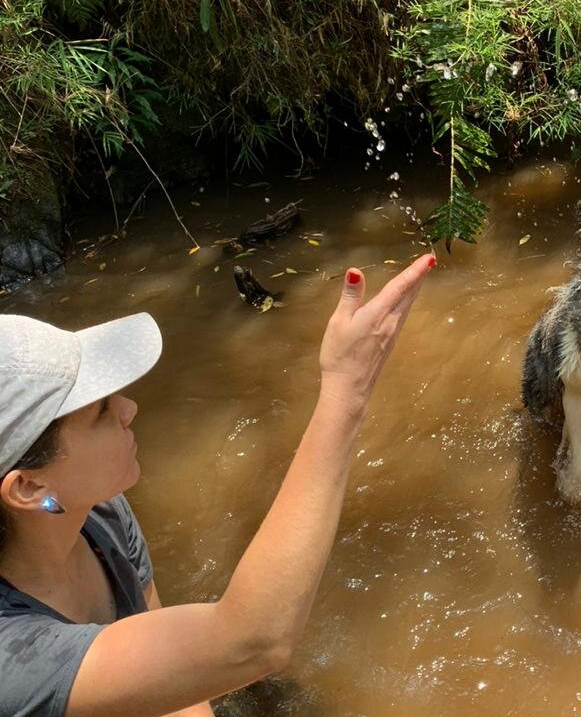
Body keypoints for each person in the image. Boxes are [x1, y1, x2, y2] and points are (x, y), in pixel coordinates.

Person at [0, 254, 436, 717]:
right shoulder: (13, 663)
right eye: (102, 411)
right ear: (27, 487)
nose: (129, 409)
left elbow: (165, 677)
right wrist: (347, 390)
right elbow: (255, 640)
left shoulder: (99, 512)